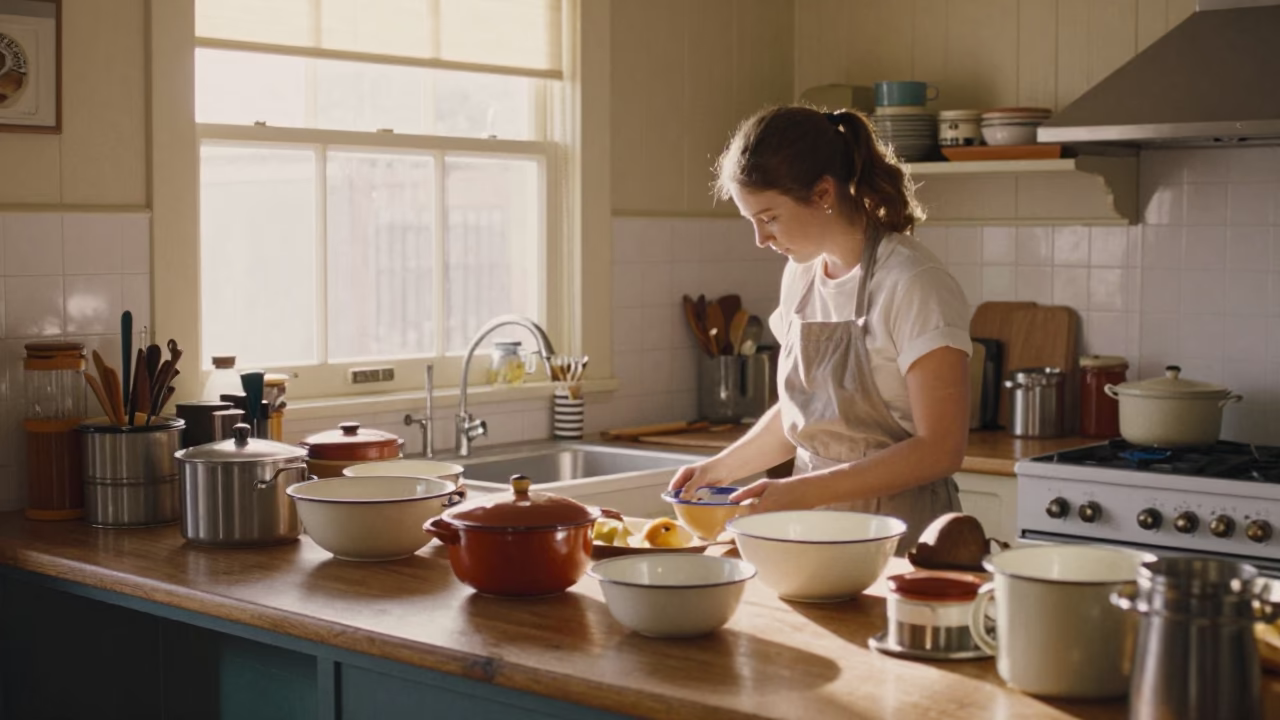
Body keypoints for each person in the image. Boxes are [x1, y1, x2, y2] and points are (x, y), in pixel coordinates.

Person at [669, 105, 972, 551]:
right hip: (810, 536)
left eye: (769, 218)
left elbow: (941, 448)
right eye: (751, 221)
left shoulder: (913, 282)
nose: (761, 239)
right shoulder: (802, 275)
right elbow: (801, 416)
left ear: (824, 193)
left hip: (902, 540)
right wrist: (718, 469)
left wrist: (805, 491)